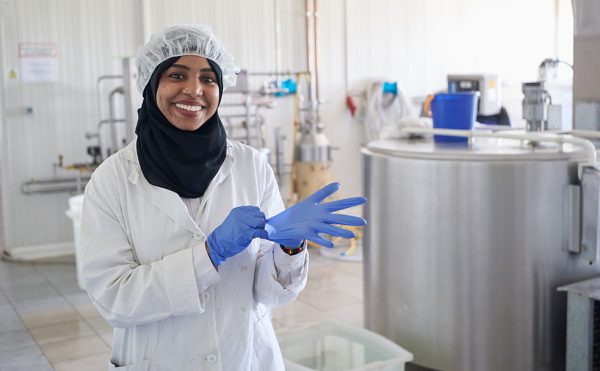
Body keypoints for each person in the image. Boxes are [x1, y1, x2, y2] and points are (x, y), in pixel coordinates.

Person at [80, 24, 366, 371]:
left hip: (243, 357)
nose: (194, 90)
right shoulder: (112, 180)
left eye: (208, 78)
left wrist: (289, 249)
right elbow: (115, 299)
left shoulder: (250, 165)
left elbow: (269, 294)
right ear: (152, 82)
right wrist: (208, 255)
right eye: (176, 74)